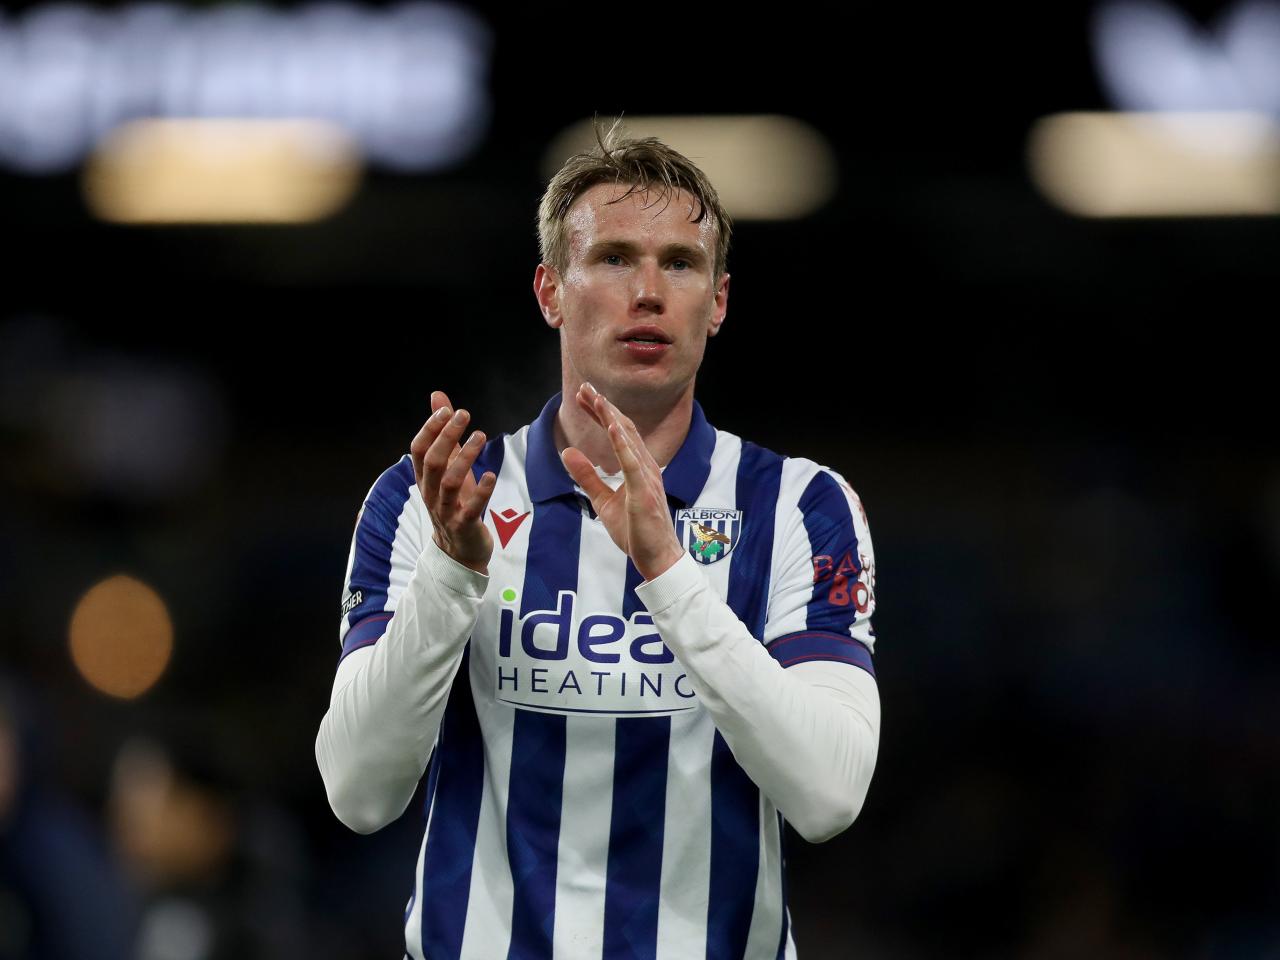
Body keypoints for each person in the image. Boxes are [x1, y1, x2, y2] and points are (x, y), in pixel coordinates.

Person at [315, 127, 881, 960]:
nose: (648, 291)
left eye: (681, 264)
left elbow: (829, 796)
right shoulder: (428, 500)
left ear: (718, 301)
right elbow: (359, 793)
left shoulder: (802, 505)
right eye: (613, 257)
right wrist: (451, 573)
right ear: (550, 290)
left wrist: (667, 573)